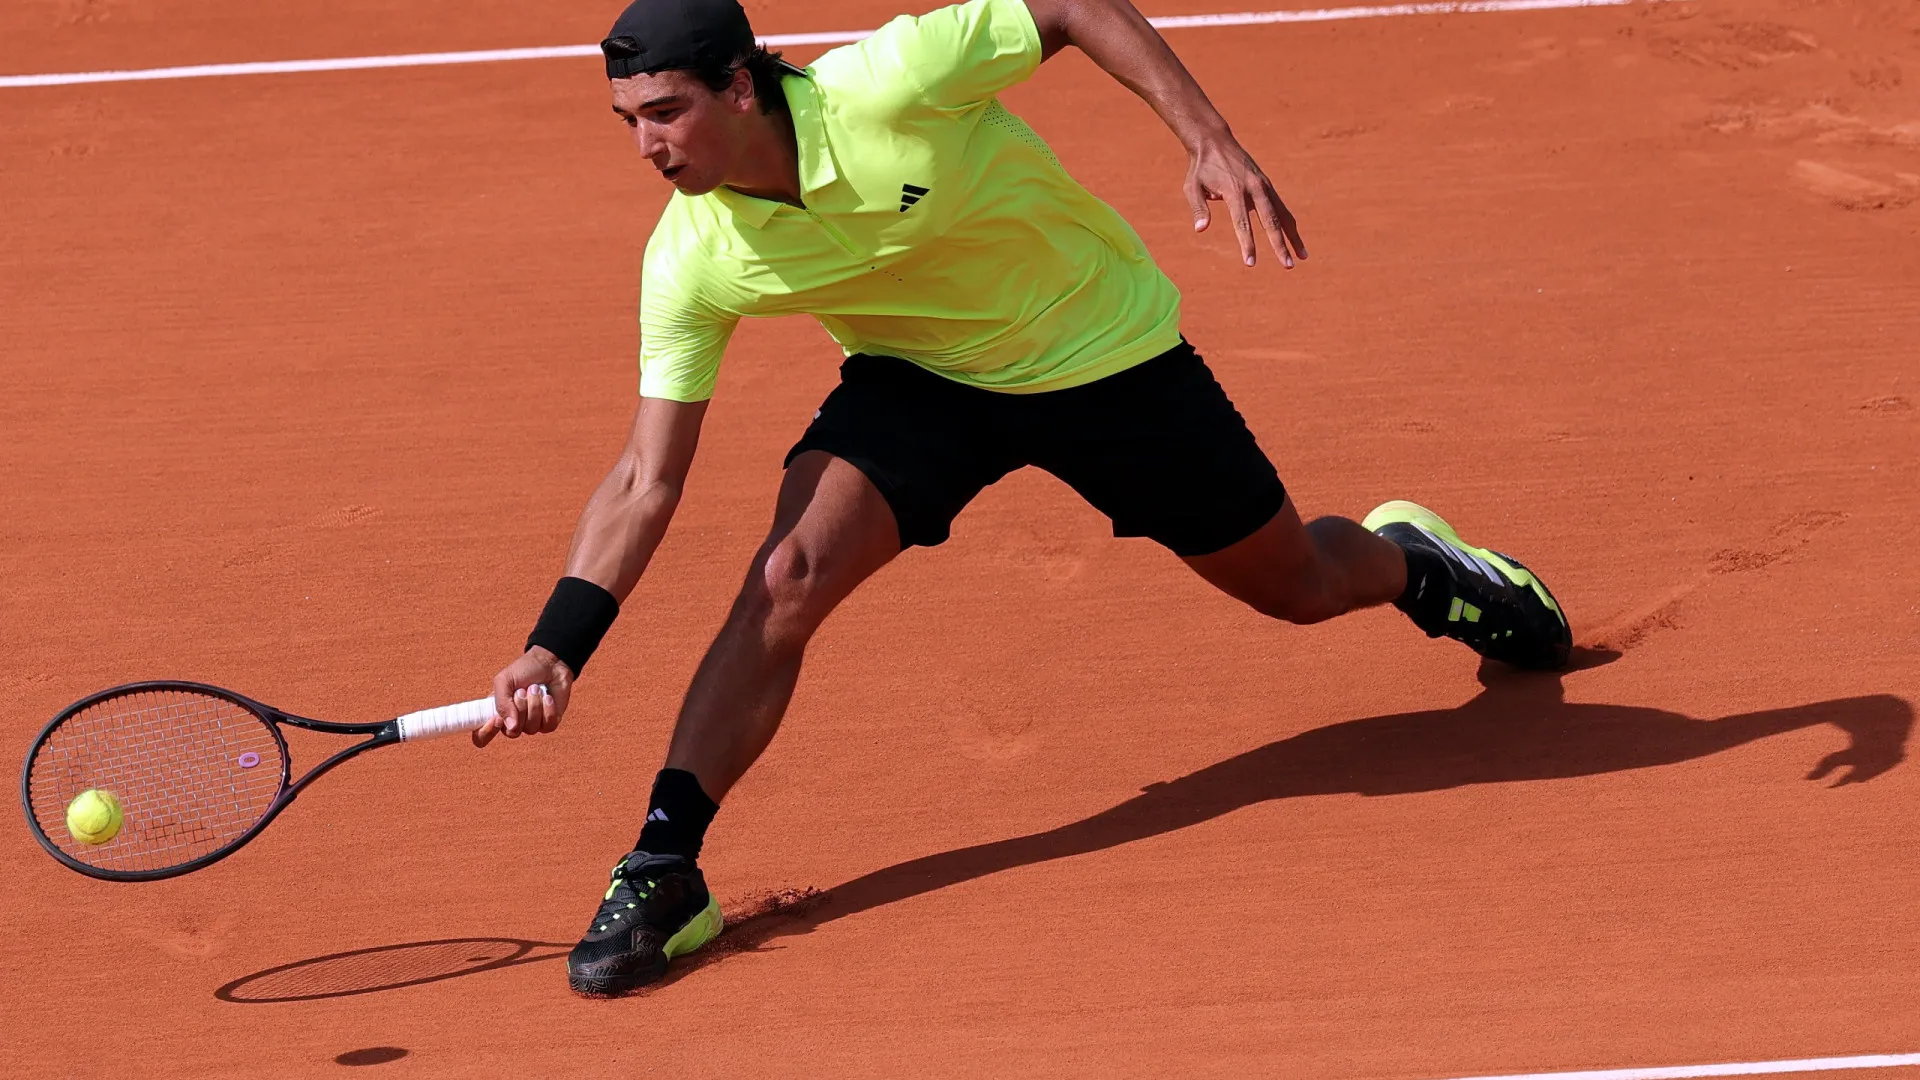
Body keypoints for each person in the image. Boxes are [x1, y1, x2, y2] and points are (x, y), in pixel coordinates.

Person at [478, 0, 1573, 996]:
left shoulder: (890, 84)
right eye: (626, 120)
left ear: (739, 86)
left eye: (665, 112)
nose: (646, 148)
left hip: (1101, 353)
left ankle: (1418, 562)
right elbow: (643, 477)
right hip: (921, 383)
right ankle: (667, 860)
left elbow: (1069, 6)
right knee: (786, 577)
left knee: (1298, 584)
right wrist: (555, 648)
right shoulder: (693, 255)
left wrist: (1208, 140)